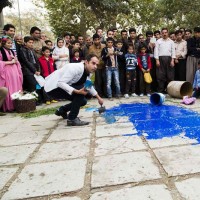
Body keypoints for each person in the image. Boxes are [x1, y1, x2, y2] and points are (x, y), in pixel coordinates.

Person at [44, 54, 104, 126]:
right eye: (93, 63)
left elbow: (88, 84)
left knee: (83, 101)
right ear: (86, 62)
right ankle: (72, 119)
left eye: (96, 65)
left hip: (63, 86)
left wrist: (98, 98)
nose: (95, 67)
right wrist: (77, 91)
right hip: (53, 87)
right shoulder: (75, 68)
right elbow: (60, 83)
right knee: (80, 94)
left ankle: (62, 110)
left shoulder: (89, 71)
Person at [0, 36, 23, 112]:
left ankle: (16, 104)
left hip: (14, 71)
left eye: (11, 43)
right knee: (9, 87)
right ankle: (8, 106)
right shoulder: (1, 51)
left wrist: (15, 60)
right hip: (6, 71)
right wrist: (11, 62)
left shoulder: (12, 51)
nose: (10, 45)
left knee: (16, 87)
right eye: (8, 43)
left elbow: (16, 61)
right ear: (3, 43)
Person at [20, 36, 43, 104]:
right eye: (29, 42)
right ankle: (33, 101)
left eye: (32, 42)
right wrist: (34, 70)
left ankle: (38, 99)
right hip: (27, 71)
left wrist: (38, 70)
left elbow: (36, 61)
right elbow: (26, 61)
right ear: (25, 42)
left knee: (38, 85)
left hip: (35, 71)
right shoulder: (22, 50)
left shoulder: (32, 50)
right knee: (33, 85)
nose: (31, 44)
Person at [154, 28, 176, 93]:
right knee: (160, 75)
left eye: (165, 32)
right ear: (161, 33)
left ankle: (169, 91)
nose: (164, 34)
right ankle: (161, 90)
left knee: (170, 76)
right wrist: (157, 60)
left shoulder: (171, 42)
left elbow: (173, 51)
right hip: (160, 59)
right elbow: (156, 51)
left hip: (169, 59)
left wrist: (172, 60)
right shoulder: (158, 41)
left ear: (168, 33)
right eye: (163, 33)